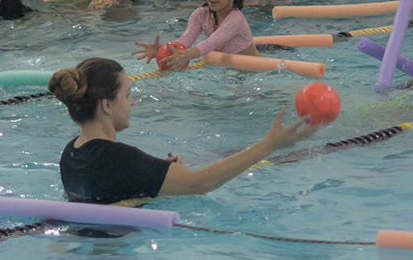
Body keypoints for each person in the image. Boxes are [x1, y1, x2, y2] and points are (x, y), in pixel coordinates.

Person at [51, 56, 321, 203]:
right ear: (107, 105)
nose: (132, 102)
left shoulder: (69, 154)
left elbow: (113, 186)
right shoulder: (121, 159)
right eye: (127, 94)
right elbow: (200, 183)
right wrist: (269, 145)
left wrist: (156, 172)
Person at [139, 0, 255, 69]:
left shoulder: (236, 19)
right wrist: (164, 50)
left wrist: (186, 55)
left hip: (251, 72)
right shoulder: (200, 15)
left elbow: (211, 43)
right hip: (227, 70)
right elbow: (185, 41)